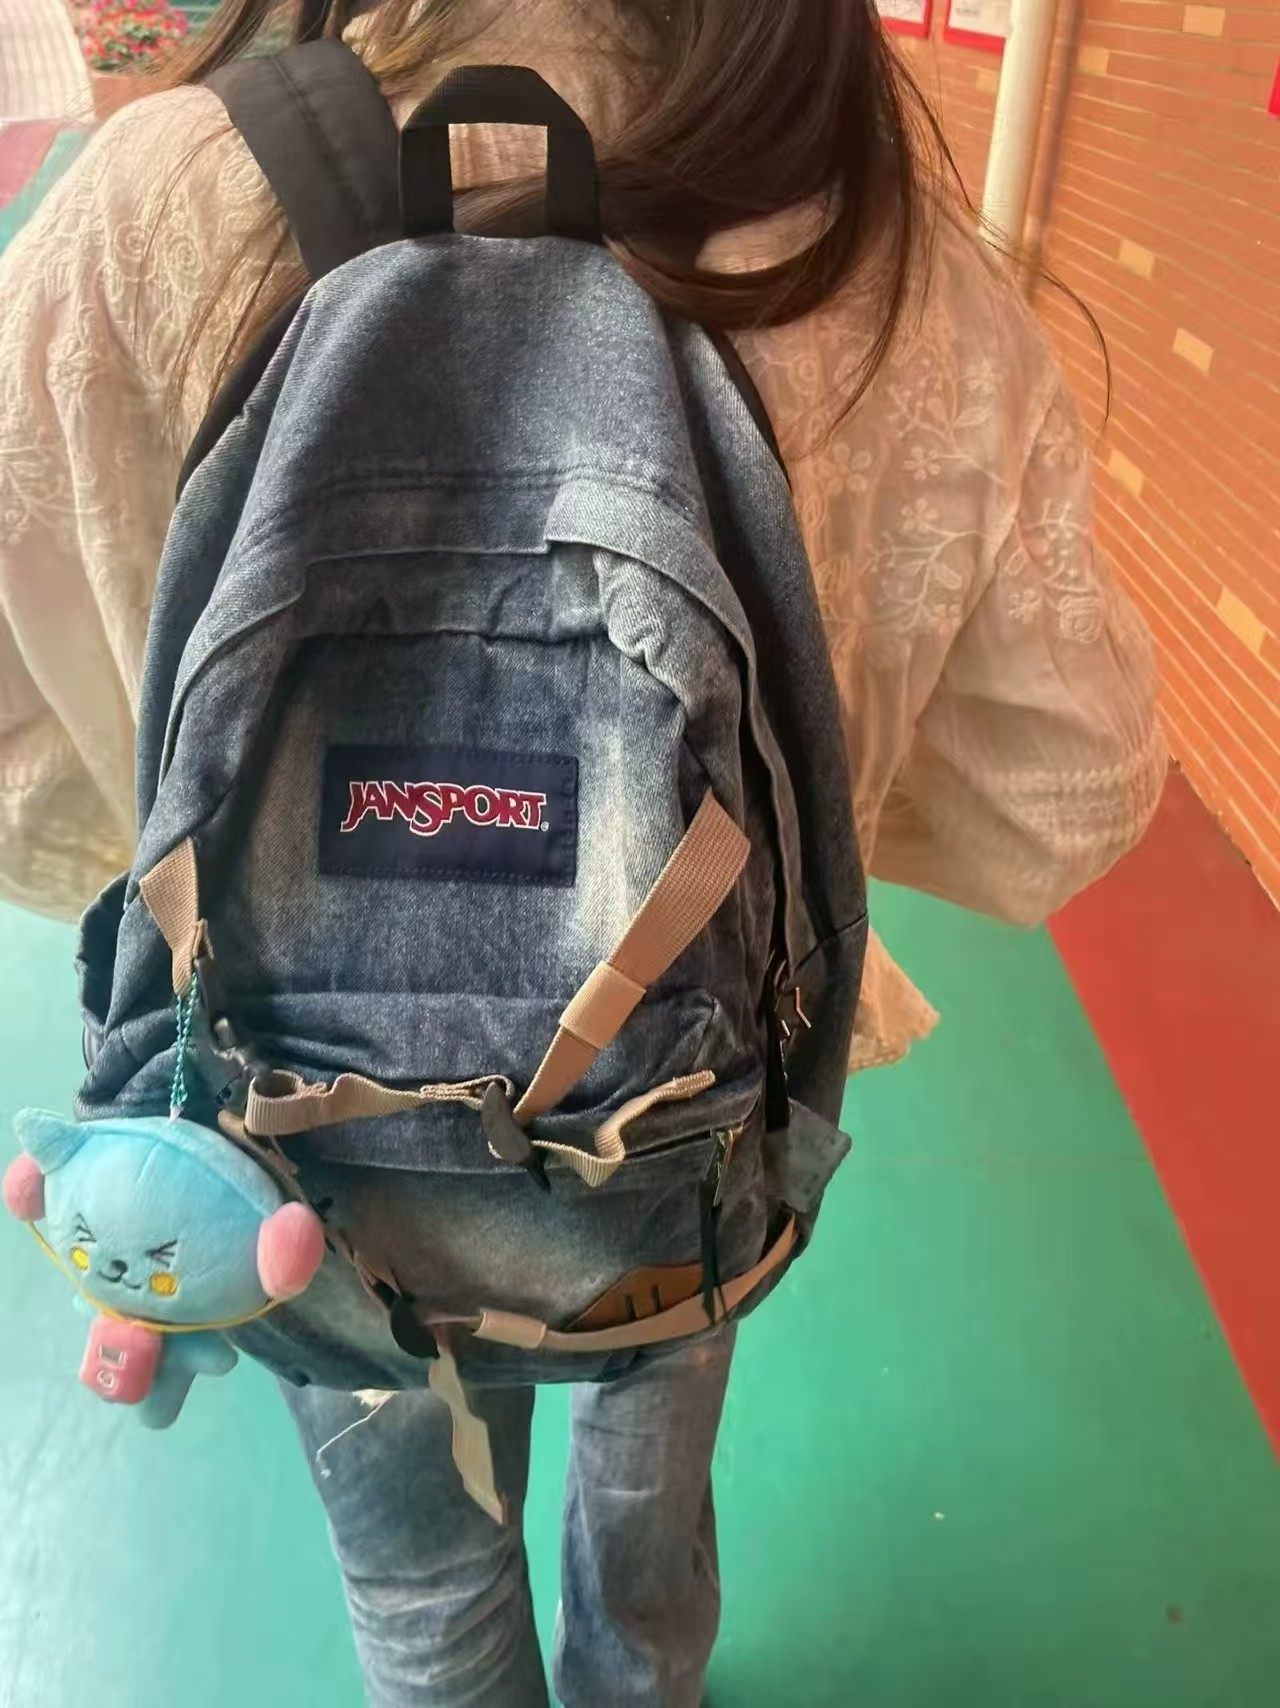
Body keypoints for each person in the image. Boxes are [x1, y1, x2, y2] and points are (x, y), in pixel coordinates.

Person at [0, 3, 1164, 1703]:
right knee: (647, 1498)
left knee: (421, 1590)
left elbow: (21, 762)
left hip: (298, 1159)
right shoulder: (869, 250)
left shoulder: (154, 204)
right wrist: (827, 796)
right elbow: (1076, 787)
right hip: (673, 1118)